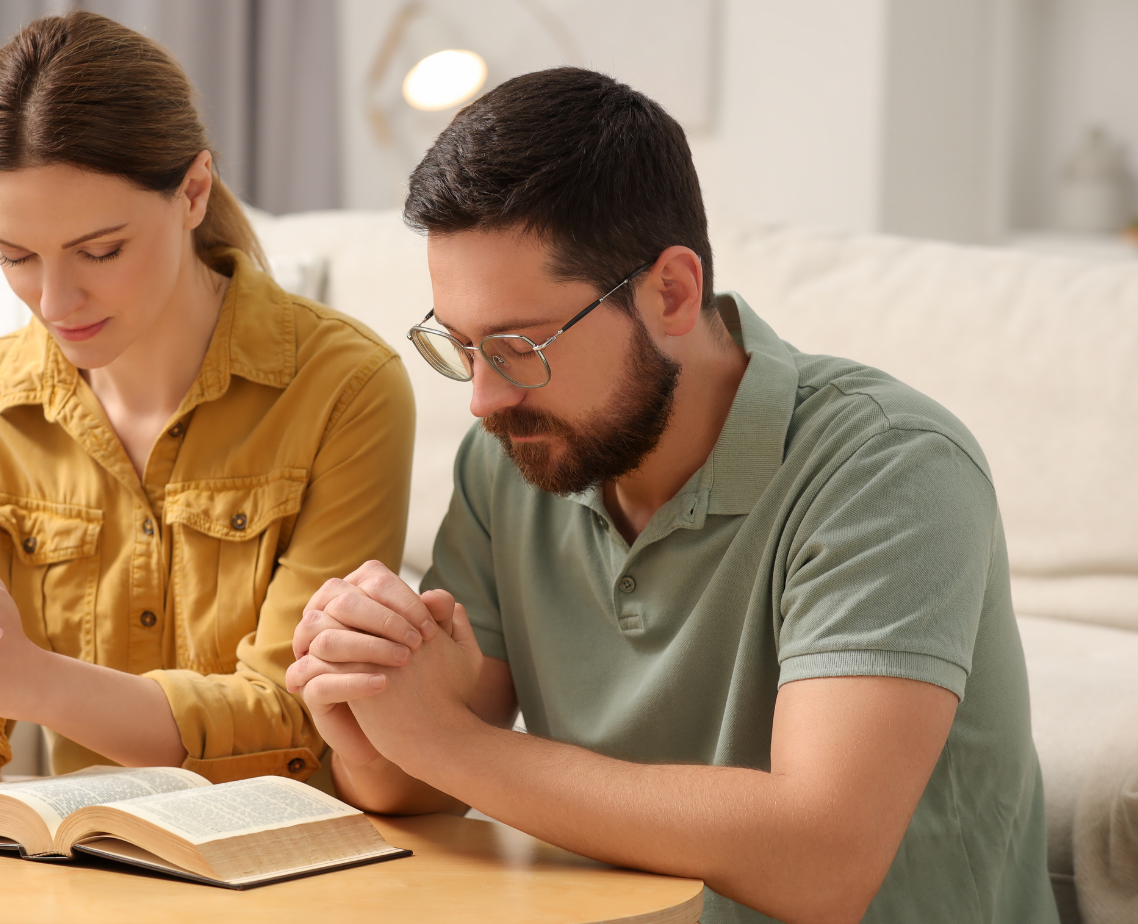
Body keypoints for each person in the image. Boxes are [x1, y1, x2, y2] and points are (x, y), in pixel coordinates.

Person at [286, 68, 1057, 924]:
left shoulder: (892, 467)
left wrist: (448, 742)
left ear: (672, 292)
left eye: (517, 345)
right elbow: (419, 788)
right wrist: (363, 700)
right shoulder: (514, 457)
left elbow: (822, 862)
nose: (484, 398)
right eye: (460, 346)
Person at [0, 11, 413, 790]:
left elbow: (300, 718)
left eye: (100, 251)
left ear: (193, 192)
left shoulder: (345, 387)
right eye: (15, 257)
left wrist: (30, 680)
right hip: (88, 865)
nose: (55, 300)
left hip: (292, 865)